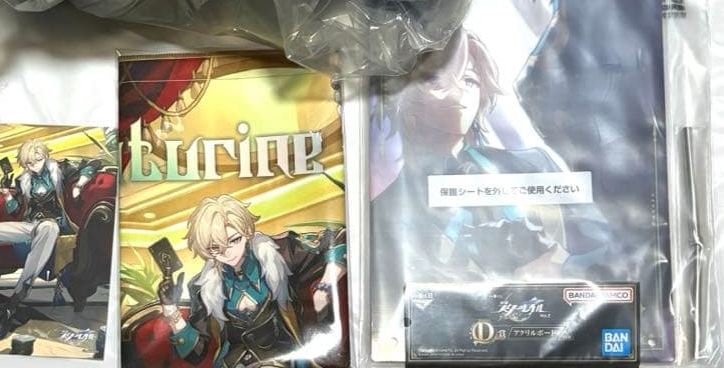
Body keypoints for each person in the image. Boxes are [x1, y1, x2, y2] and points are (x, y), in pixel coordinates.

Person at [370, 30, 614, 334]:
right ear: (403, 99)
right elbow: (393, 308)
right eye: (436, 82)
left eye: (470, 81)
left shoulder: (534, 165)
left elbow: (605, 241)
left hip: (558, 329)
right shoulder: (385, 209)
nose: (460, 94)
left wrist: (560, 263)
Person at [159, 194, 346, 366]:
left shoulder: (280, 253)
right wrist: (170, 309)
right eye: (215, 248)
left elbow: (339, 238)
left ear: (247, 231)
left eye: (234, 240)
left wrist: (324, 287)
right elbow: (195, 353)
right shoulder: (202, 286)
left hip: (284, 359)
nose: (228, 253)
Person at [0, 139, 101, 339]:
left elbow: (94, 163)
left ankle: (14, 302)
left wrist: (79, 185)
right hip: (30, 225)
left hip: (54, 225)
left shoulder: (61, 169)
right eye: (29, 163)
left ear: (45, 156)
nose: (34, 166)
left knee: (48, 227)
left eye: (37, 160)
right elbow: (14, 211)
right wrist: (6, 192)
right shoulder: (23, 179)